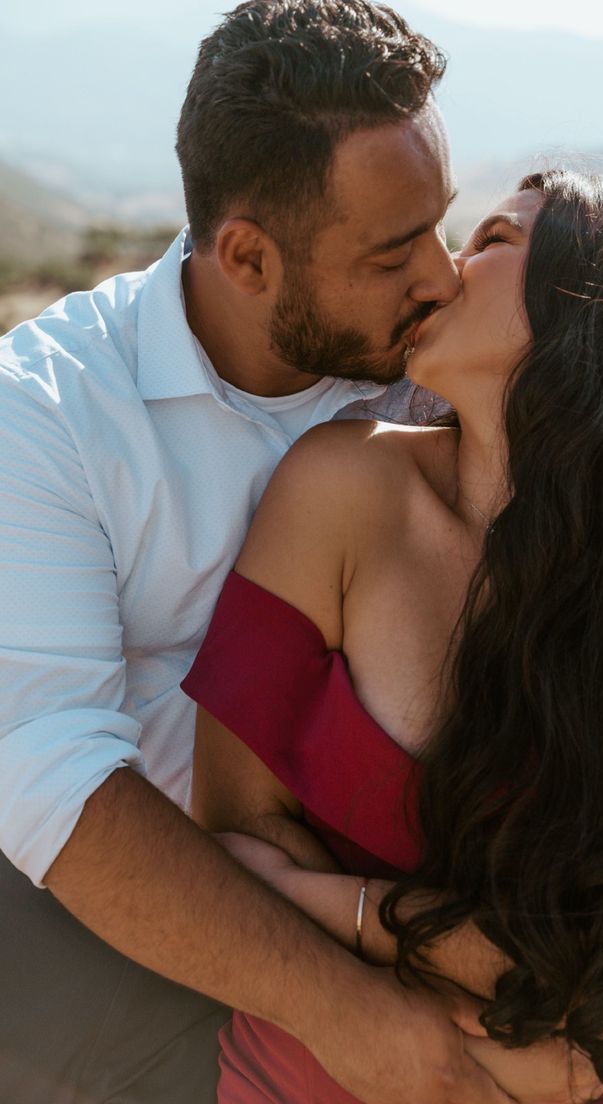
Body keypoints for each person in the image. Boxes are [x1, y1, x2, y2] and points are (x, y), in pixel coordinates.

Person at [0, 4, 515, 1102]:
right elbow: (53, 782)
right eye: (390, 252)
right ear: (245, 255)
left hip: (383, 899)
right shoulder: (43, 416)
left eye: (441, 225)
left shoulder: (438, 368)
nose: (438, 276)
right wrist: (347, 1013)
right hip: (114, 919)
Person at [183, 169, 603, 1103]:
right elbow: (234, 835)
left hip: (583, 1082)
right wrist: (460, 960)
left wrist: (356, 911)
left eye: (489, 243)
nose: (441, 273)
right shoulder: (340, 488)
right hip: (329, 1053)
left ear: (591, 307)